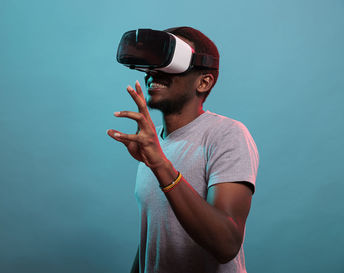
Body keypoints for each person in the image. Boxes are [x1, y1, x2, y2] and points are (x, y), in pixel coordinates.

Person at [107, 26, 259, 273]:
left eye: (170, 63)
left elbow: (226, 244)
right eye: (153, 64)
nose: (154, 72)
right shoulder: (153, 143)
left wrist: (160, 165)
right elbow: (154, 239)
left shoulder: (227, 134)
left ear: (204, 81)